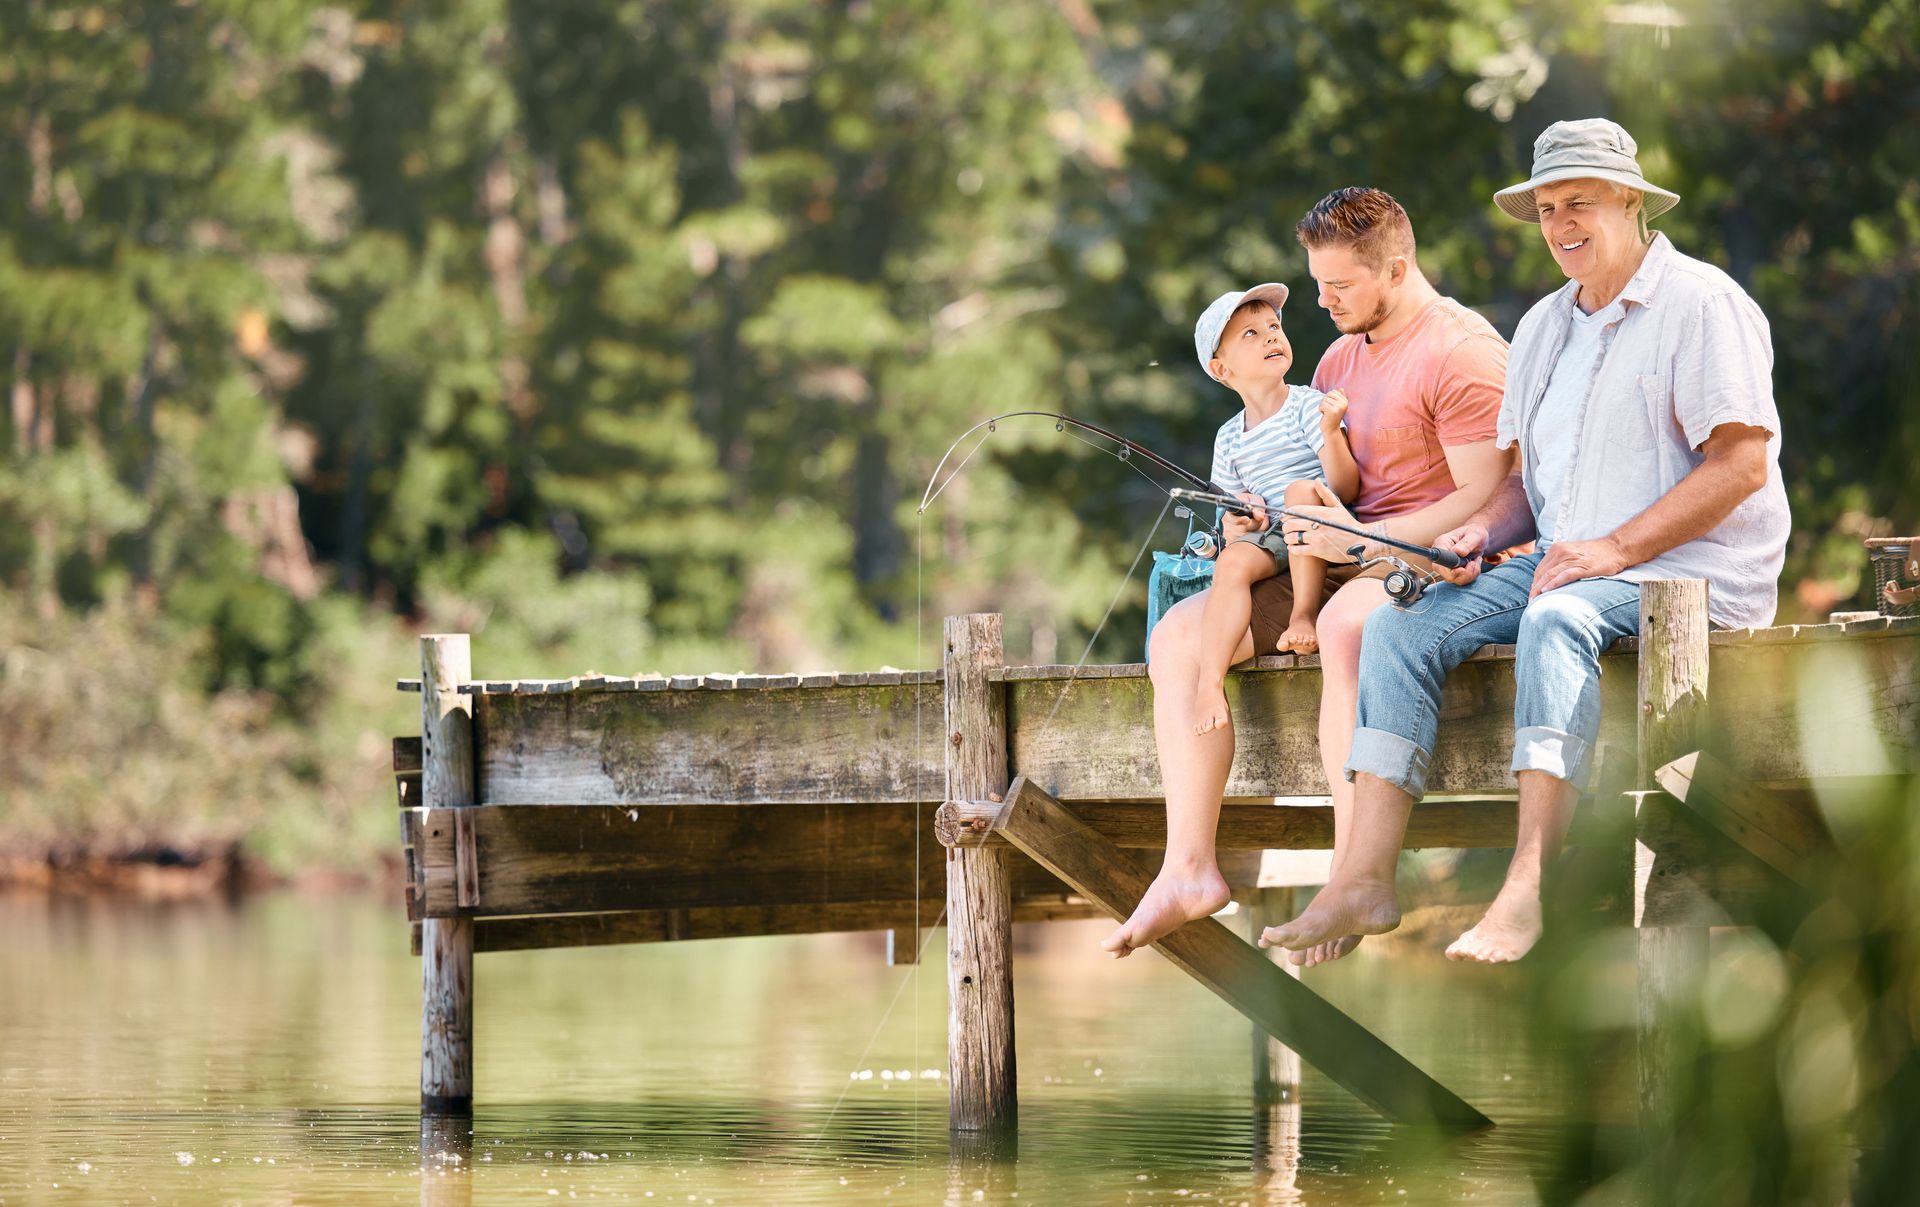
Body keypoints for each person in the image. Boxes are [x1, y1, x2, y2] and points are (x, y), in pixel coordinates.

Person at [1262, 118, 1790, 965]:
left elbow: (1741, 464)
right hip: (1569, 558)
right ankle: (1363, 875)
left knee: (1557, 619)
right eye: (1546, 208)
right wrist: (1480, 529)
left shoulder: (1704, 303)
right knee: (1402, 624)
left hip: (1688, 573)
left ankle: (1529, 885)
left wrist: (1616, 549)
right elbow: (1522, 488)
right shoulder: (1545, 325)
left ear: (1632, 200)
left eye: (1579, 202)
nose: (1560, 224)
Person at [1102, 188, 1513, 961]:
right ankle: (1188, 866)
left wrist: (1362, 537)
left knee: (1343, 624)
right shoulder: (1337, 357)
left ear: (1396, 268)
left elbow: (1492, 496)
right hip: (1325, 548)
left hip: (1419, 561)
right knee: (1178, 637)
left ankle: (1351, 872)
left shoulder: (1461, 350)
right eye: (1315, 285)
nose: (1320, 303)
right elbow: (1317, 475)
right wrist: (1254, 522)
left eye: (1339, 287)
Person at [1186, 282, 1360, 741]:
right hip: (1275, 536)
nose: (1270, 337)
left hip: (1321, 524)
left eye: (1274, 327)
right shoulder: (1228, 438)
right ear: (1221, 370)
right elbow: (1232, 512)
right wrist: (1238, 521)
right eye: (1250, 334)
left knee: (1300, 491)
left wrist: (1332, 430)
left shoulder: (1306, 405)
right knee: (1234, 558)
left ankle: (1304, 615)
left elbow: (1344, 487)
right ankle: (1209, 684)